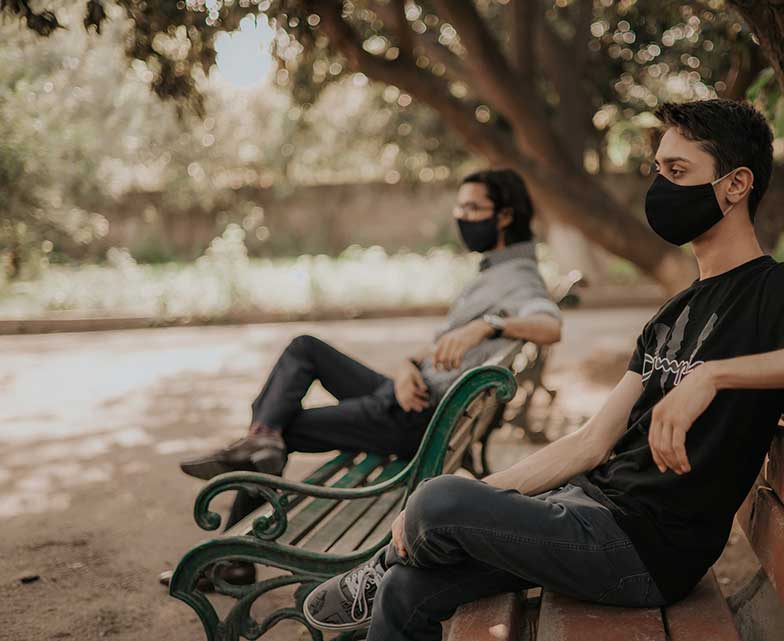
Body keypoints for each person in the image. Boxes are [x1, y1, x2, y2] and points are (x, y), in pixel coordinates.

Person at [300, 98, 784, 640]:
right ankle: (390, 566)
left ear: (735, 185)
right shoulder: (675, 312)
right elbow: (590, 442)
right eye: (657, 170)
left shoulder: (775, 290)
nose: (660, 186)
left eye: (678, 171)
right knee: (410, 588)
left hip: (644, 551)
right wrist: (478, 498)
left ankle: (383, 559)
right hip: (587, 513)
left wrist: (715, 375)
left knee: (436, 503)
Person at [170, 168, 563, 590]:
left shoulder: (518, 274)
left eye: (472, 208)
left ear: (504, 216)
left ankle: (239, 537)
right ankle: (262, 440)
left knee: (280, 422)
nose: (461, 216)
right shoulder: (494, 271)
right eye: (459, 206)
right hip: (413, 394)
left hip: (417, 419)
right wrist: (404, 369)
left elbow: (550, 323)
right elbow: (438, 348)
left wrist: (487, 325)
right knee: (305, 348)